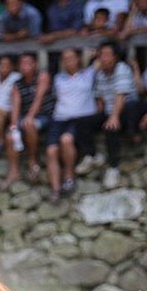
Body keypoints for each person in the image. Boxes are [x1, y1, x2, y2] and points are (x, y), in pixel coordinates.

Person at [46, 47, 98, 201]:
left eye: (71, 58)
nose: (68, 61)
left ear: (78, 59)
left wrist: (95, 54)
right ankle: (55, 189)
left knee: (66, 140)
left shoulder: (88, 74)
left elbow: (105, 57)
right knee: (51, 151)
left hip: (80, 119)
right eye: (65, 59)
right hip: (60, 118)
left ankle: (69, 177)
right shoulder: (57, 79)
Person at [3, 51, 54, 186]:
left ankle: (32, 160)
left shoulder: (42, 77)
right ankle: (13, 171)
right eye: (22, 64)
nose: (24, 66)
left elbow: (38, 99)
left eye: (27, 63)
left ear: (35, 64)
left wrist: (30, 117)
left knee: (29, 124)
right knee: (10, 136)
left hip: (44, 116)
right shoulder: (17, 84)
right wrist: (13, 124)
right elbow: (15, 106)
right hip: (25, 117)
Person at [91, 39, 134, 187]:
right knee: (83, 121)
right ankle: (93, 156)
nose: (103, 58)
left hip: (126, 111)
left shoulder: (122, 68)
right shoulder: (100, 74)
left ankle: (113, 167)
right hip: (109, 110)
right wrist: (98, 117)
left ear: (115, 57)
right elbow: (100, 100)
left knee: (111, 127)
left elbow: (121, 96)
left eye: (107, 55)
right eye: (101, 55)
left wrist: (113, 117)